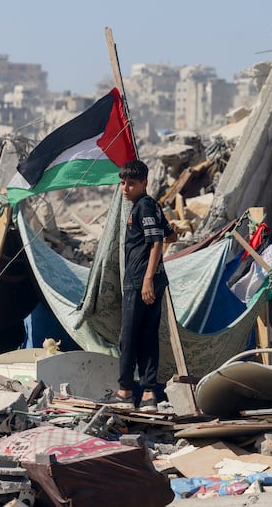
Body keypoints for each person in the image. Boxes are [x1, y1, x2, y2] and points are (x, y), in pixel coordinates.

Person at [98, 159, 176, 412]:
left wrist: (146, 281)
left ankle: (125, 392)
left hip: (140, 282)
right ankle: (149, 395)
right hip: (148, 280)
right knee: (147, 337)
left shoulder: (143, 207)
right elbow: (170, 235)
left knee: (129, 338)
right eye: (122, 183)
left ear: (144, 183)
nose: (125, 188)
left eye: (131, 184)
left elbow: (156, 243)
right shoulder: (150, 205)